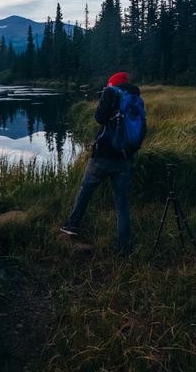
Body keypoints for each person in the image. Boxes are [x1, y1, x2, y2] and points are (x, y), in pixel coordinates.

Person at [61, 72, 144, 254]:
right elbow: (141, 129)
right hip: (125, 157)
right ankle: (124, 248)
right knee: (122, 204)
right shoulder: (135, 98)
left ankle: (72, 225)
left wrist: (104, 100)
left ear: (112, 84)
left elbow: (99, 118)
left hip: (103, 155)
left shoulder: (110, 93)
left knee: (86, 190)